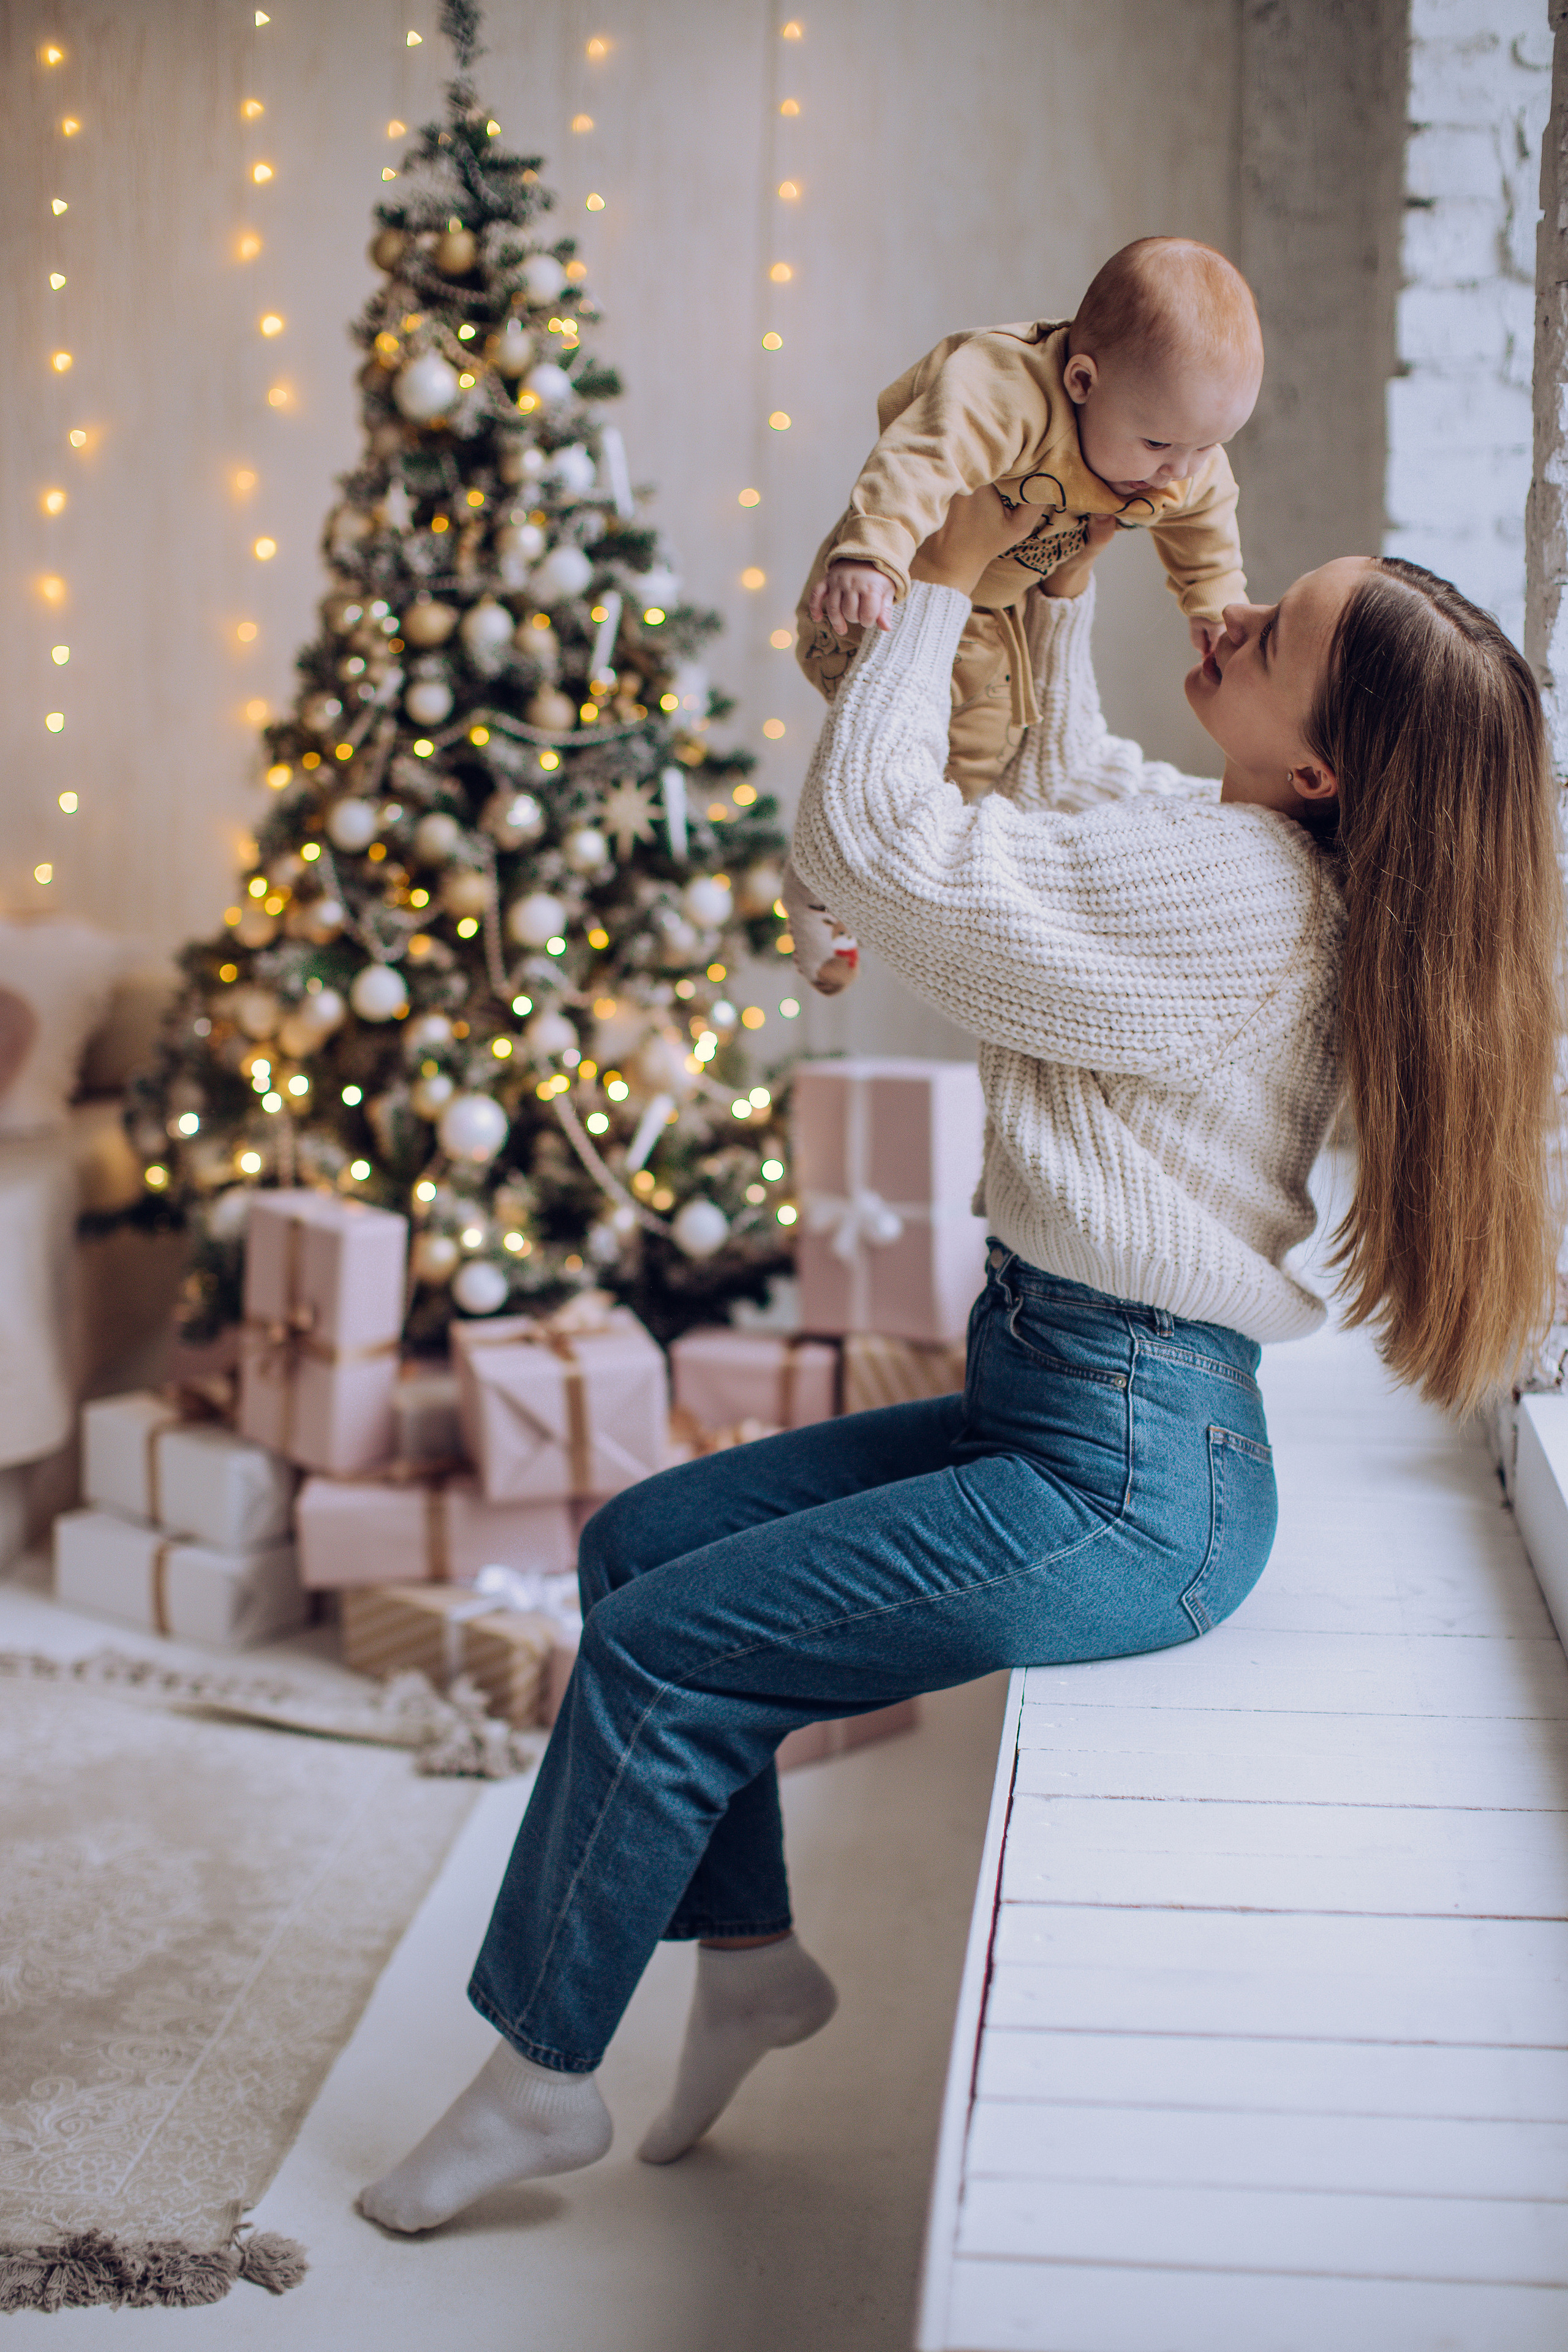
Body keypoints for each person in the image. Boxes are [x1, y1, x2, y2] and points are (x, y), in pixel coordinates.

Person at [358, 486, 1562, 2237]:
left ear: (1320, 773)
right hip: (1079, 1406)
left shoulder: (1234, 897)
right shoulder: (1237, 849)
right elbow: (1071, 786)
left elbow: (886, 856)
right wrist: (1053, 563)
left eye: (1270, 639)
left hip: (1123, 1474)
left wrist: (933, 587)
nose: (1220, 624)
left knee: (654, 1650)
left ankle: (542, 2079)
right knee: (642, 1547)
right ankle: (756, 1969)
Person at [783, 236, 1264, 993]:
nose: (1180, 473)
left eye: (1209, 447)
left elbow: (1207, 522)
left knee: (976, 760)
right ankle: (819, 878)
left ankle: (872, 895)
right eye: (1161, 445)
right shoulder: (1003, 390)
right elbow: (919, 460)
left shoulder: (1182, 449)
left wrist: (1213, 602)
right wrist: (869, 554)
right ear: (1081, 380)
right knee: (886, 749)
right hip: (899, 593)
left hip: (994, 614)